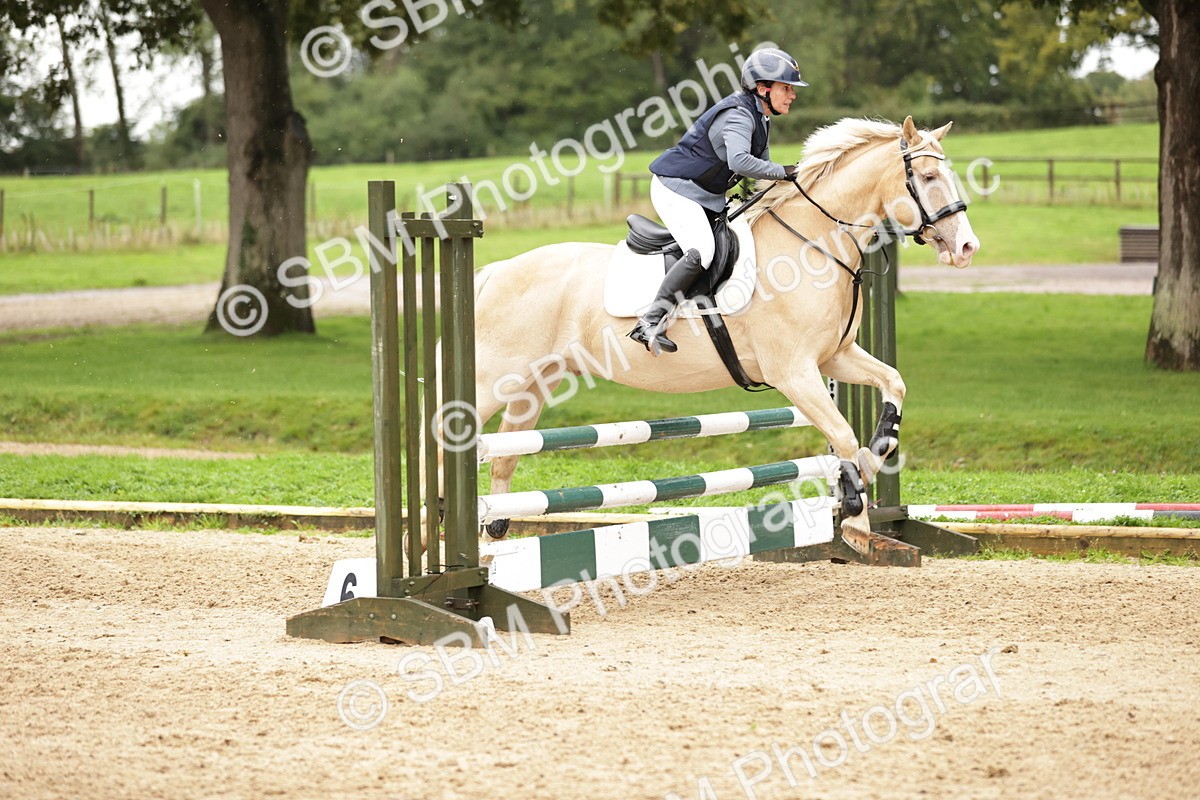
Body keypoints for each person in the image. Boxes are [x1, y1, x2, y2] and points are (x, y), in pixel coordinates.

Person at [628, 47, 807, 355]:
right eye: (786, 87)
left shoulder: (762, 118)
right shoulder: (738, 114)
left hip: (705, 194)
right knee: (703, 251)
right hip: (676, 188)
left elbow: (760, 169)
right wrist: (786, 171)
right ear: (763, 88)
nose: (792, 95)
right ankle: (650, 321)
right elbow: (740, 161)